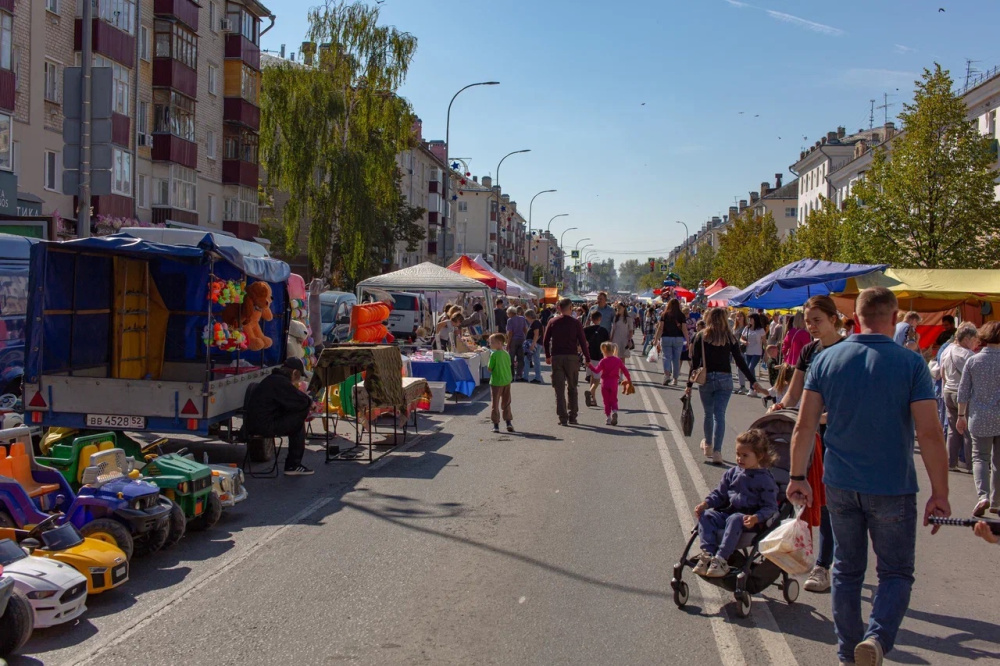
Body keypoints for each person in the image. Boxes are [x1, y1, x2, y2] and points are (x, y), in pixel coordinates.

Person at [787, 286, 950, 666]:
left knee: (846, 569)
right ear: (894, 319)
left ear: (855, 317)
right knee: (895, 572)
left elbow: (804, 424)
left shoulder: (825, 360)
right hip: (893, 486)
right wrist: (939, 492)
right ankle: (876, 637)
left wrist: (797, 476)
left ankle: (847, 652)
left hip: (840, 482)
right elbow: (929, 433)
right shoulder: (910, 364)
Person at [769, 295, 846, 594]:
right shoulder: (809, 350)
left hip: (837, 436)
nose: (812, 326)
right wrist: (781, 407)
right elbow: (793, 393)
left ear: (833, 319)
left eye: (818, 320)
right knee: (804, 494)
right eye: (808, 320)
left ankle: (823, 566)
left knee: (828, 502)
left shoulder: (846, 350)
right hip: (809, 433)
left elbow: (850, 401)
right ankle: (800, 555)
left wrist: (823, 417)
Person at [692, 429, 779, 578]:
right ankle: (707, 554)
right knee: (706, 516)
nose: (740, 458)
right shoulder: (732, 473)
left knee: (735, 518)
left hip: (749, 519)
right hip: (728, 513)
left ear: (759, 456)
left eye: (745, 455)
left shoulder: (765, 480)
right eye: (738, 454)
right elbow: (720, 494)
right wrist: (705, 504)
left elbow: (770, 507)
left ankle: (721, 559)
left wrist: (757, 518)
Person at [685, 308, 764, 465]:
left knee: (708, 414)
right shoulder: (729, 337)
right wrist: (752, 381)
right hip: (725, 379)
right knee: (719, 415)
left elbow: (694, 363)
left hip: (706, 379)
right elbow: (740, 361)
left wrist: (688, 385)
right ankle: (717, 452)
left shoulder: (701, 336)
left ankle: (708, 445)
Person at [956, 321, 1000, 517]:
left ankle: (983, 495)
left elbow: (963, 392)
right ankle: (997, 502)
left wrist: (960, 415)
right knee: (998, 461)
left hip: (979, 416)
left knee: (980, 457)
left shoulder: (973, 361)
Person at [244, 357, 314, 476]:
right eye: (299, 376)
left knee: (296, 418)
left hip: (256, 423)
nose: (298, 380)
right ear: (294, 373)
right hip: (262, 426)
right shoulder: (280, 382)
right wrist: (311, 404)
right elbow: (301, 401)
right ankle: (293, 465)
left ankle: (294, 464)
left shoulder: (274, 380)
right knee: (298, 421)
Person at [543, 298, 591, 426]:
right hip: (571, 358)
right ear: (570, 308)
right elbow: (582, 341)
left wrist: (548, 355)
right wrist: (587, 357)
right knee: (572, 387)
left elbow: (546, 340)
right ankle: (573, 416)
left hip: (557, 357)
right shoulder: (576, 323)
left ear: (559, 308)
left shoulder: (552, 321)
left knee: (559, 389)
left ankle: (562, 417)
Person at [940, 323, 978, 474]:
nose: (976, 343)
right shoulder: (968, 355)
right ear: (967, 339)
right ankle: (970, 465)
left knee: (952, 429)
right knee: (968, 430)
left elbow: (942, 373)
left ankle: (951, 462)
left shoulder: (946, 350)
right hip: (963, 395)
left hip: (948, 391)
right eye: (975, 339)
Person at [588, 341, 632, 426]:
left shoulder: (603, 361)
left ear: (603, 351)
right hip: (614, 384)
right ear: (613, 350)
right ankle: (614, 412)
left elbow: (596, 371)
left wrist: (589, 365)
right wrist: (629, 380)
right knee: (613, 399)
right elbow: (625, 370)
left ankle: (608, 418)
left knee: (606, 402)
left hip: (604, 383)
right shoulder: (618, 360)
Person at [655, 298, 688, 387]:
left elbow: (660, 328)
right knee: (676, 359)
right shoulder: (681, 315)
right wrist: (688, 340)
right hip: (678, 339)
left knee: (666, 357)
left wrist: (656, 339)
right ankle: (675, 379)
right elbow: (684, 329)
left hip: (666, 338)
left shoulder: (664, 314)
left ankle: (666, 375)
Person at [487, 332, 514, 433]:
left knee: (495, 404)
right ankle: (508, 422)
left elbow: (490, 368)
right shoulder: (506, 354)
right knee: (506, 402)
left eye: (492, 342)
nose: (490, 344)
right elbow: (509, 365)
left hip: (496, 381)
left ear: (499, 343)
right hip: (506, 380)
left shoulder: (494, 355)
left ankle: (496, 424)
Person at [583, 312, 610, 408]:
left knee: (592, 377)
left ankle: (593, 400)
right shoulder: (604, 331)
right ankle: (590, 392)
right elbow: (607, 345)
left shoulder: (586, 330)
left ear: (591, 318)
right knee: (597, 380)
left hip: (588, 357)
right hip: (599, 357)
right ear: (600, 319)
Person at [739, 313, 766, 395]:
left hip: (757, 352)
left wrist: (767, 352)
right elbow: (741, 338)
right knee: (751, 371)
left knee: (750, 368)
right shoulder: (747, 328)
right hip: (748, 351)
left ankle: (755, 387)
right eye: (749, 319)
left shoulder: (761, 330)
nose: (749, 320)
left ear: (755, 319)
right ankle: (753, 389)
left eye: (751, 318)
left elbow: (764, 342)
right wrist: (744, 342)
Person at [506, 306, 528, 382]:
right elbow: (525, 329)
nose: (507, 314)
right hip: (522, 339)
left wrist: (508, 343)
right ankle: (519, 375)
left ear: (510, 313)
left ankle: (511, 375)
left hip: (513, 340)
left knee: (511, 358)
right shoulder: (522, 318)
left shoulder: (510, 320)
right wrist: (525, 337)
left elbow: (510, 333)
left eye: (507, 313)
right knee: (520, 358)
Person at [523, 310, 544, 384]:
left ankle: (536, 377)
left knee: (534, 360)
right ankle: (526, 376)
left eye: (526, 317)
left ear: (529, 316)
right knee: (530, 360)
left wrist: (533, 344)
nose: (526, 318)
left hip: (535, 344)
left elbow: (536, 334)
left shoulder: (535, 323)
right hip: (536, 344)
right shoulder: (536, 323)